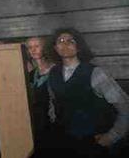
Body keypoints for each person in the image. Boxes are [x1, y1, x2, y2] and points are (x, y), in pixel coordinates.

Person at [48, 28, 129, 157]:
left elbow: (125, 107)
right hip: (67, 143)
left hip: (95, 145)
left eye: (71, 41)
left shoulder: (96, 73)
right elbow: (53, 104)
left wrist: (112, 136)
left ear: (78, 47)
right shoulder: (53, 74)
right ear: (55, 48)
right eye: (61, 41)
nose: (65, 44)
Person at [24, 36, 55, 156]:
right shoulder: (33, 73)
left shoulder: (56, 70)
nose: (33, 50)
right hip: (36, 124)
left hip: (53, 123)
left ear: (45, 48)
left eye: (37, 46)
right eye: (30, 47)